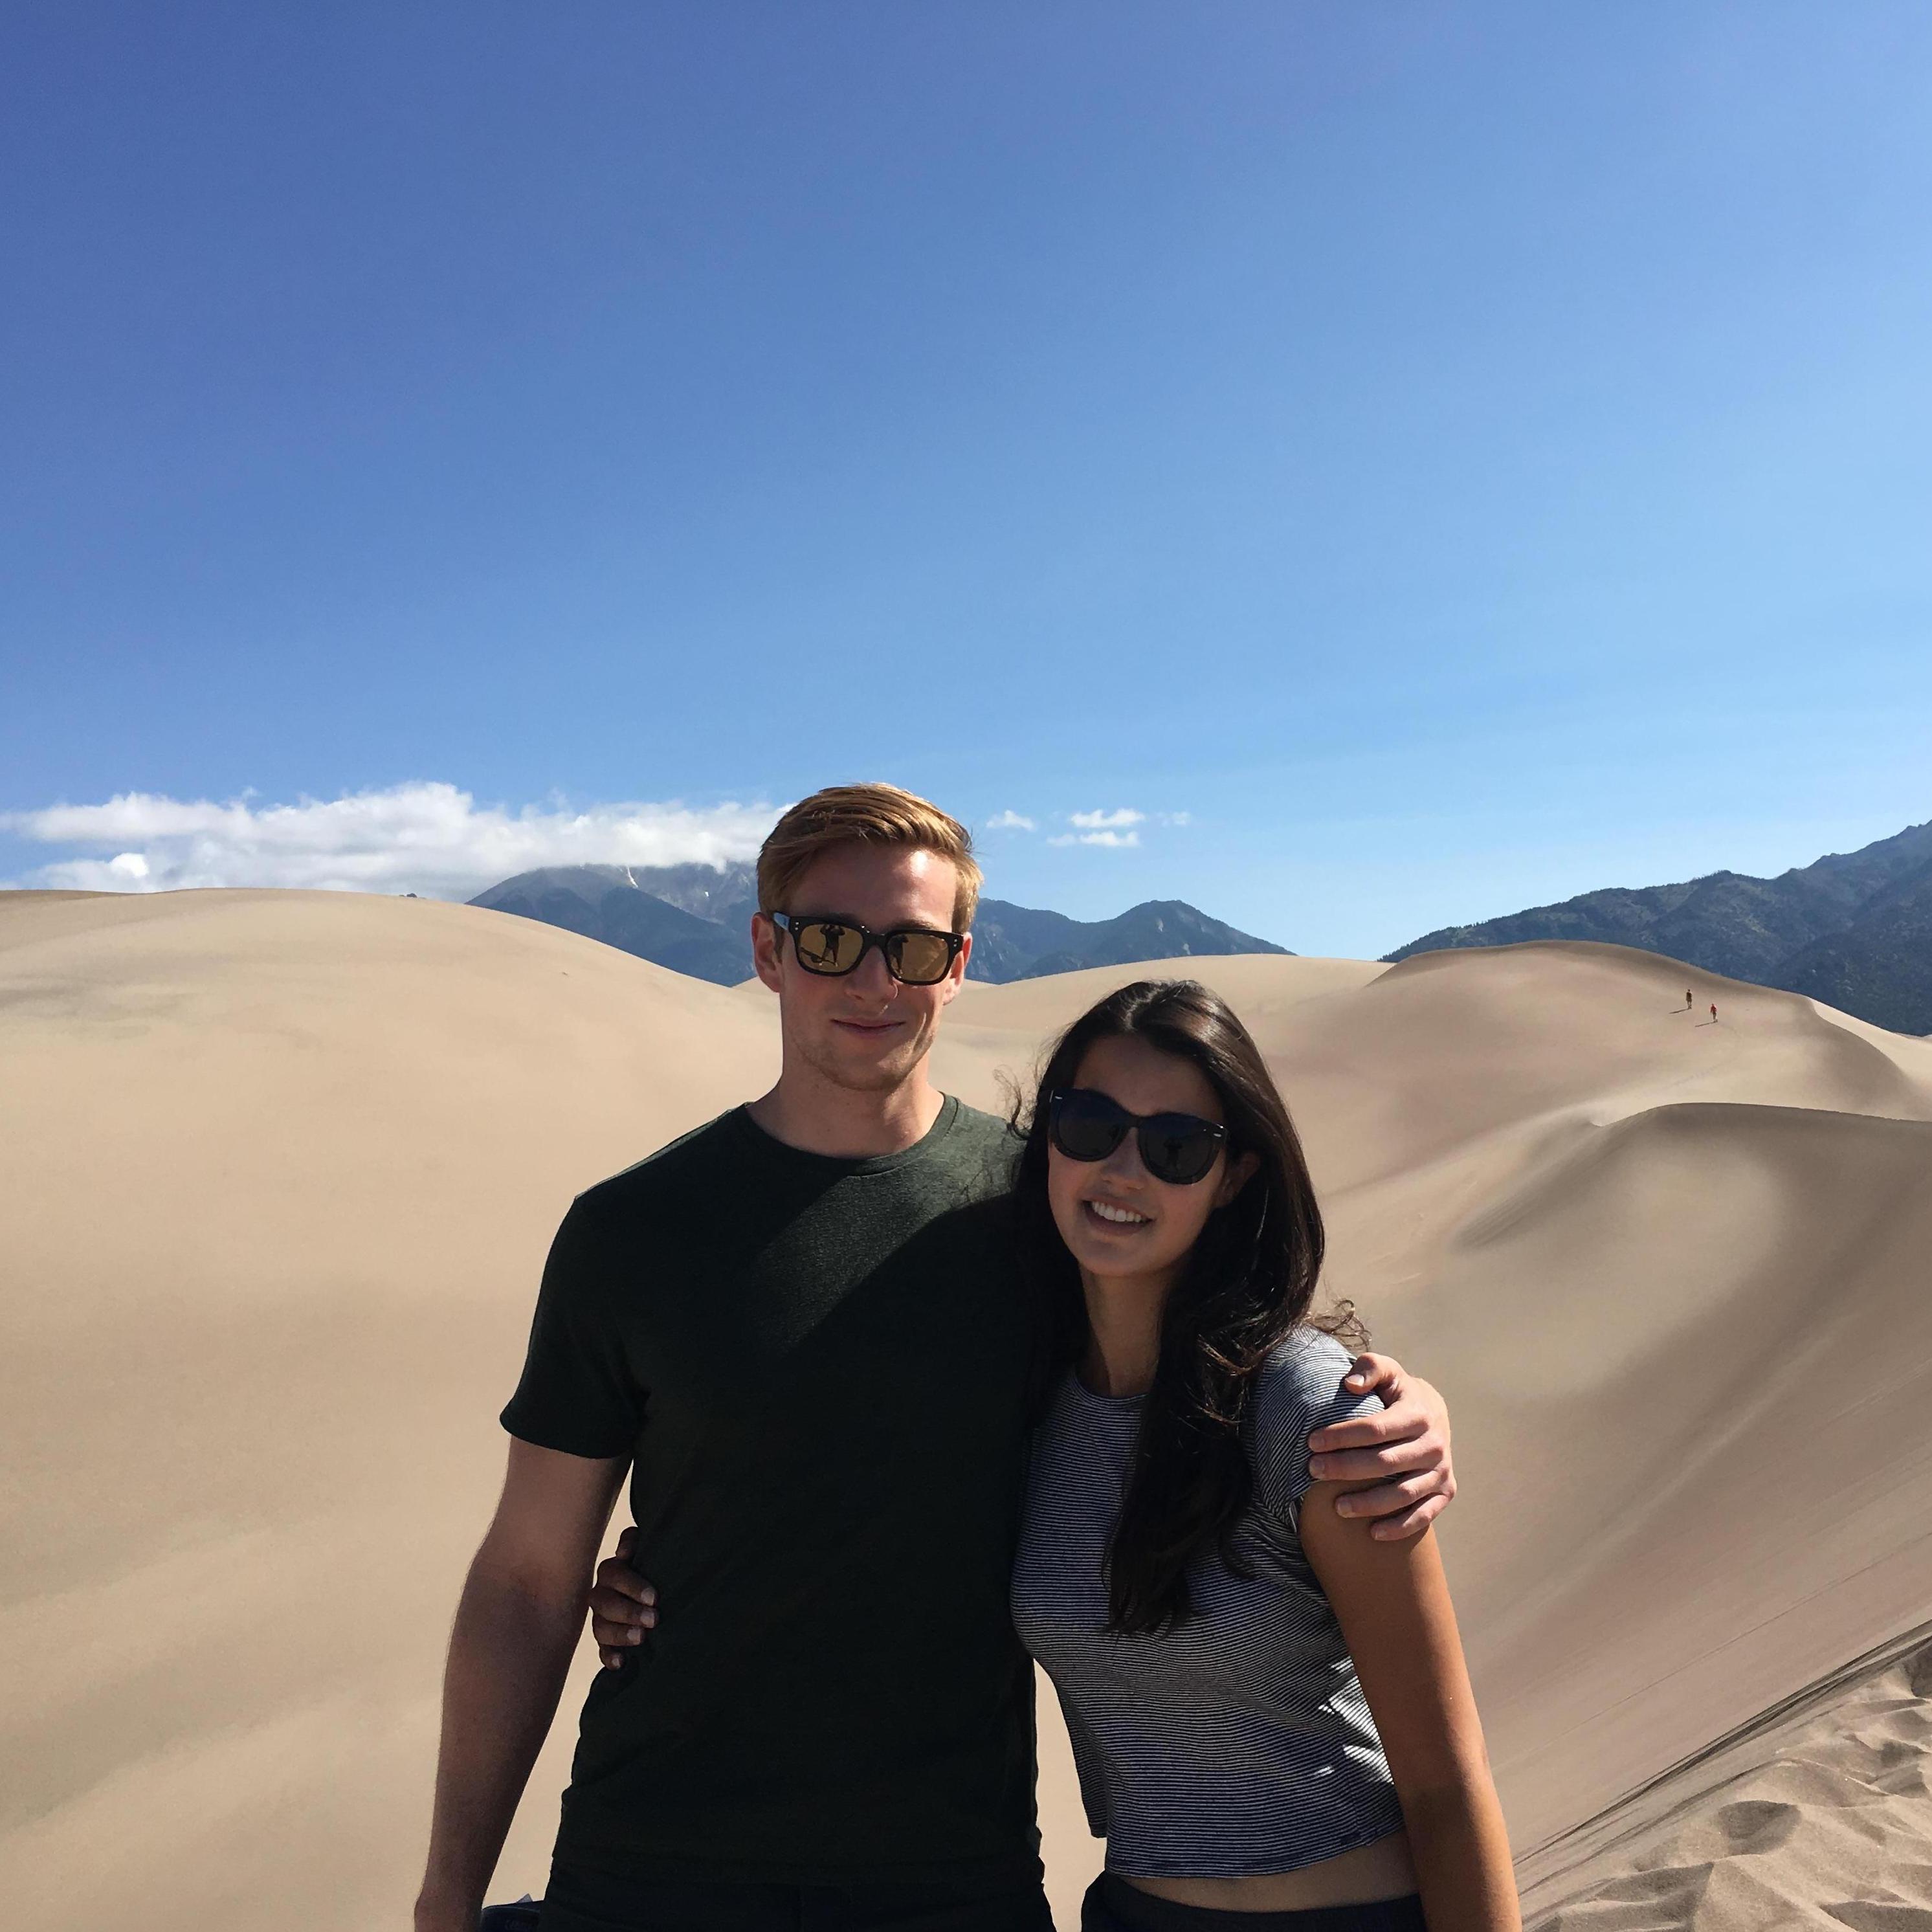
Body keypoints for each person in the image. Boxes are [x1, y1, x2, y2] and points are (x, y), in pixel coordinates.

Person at [416, 784, 1458, 1932]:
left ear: (957, 962)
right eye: (830, 941)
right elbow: (525, 1578)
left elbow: (1211, 1348)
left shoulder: (1044, 1210)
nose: (873, 983)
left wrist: (1398, 1399)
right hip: (651, 1862)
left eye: (912, 948)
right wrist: (446, 1896)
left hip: (950, 1879)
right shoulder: (632, 1232)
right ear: (768, 949)